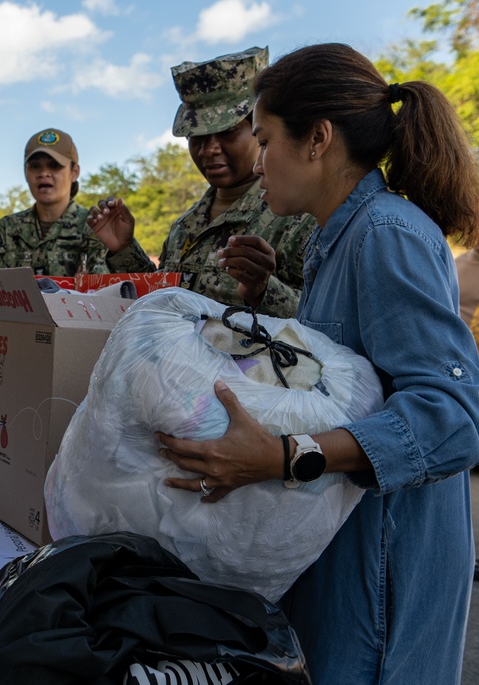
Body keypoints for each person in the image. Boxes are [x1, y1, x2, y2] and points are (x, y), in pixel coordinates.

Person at [156, 43, 479, 683]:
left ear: (318, 139)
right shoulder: (339, 238)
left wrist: (283, 456)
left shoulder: (385, 232)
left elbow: (452, 418)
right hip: (348, 555)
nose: (261, 159)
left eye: (265, 138)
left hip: (385, 569)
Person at [88, 46, 316, 318]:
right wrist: (124, 250)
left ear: (258, 128)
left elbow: (325, 324)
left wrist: (264, 289)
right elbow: (164, 303)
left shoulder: (297, 217)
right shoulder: (186, 227)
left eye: (227, 133)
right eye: (197, 137)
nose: (209, 150)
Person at [0, 127, 151, 276]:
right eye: (35, 166)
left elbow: (136, 293)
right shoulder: (4, 232)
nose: (44, 173)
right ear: (25, 172)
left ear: (74, 172)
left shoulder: (99, 228)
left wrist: (123, 249)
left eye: (54, 165)